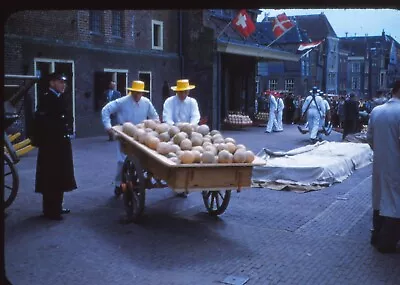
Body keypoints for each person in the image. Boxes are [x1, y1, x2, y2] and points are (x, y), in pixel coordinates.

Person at [102, 80, 159, 196]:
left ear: (143, 93)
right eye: (135, 92)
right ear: (131, 91)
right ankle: (118, 184)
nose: (137, 95)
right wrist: (108, 127)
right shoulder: (122, 101)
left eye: (140, 93)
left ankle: (140, 180)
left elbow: (155, 116)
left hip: (141, 135)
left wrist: (155, 126)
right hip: (125, 135)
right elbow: (105, 110)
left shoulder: (146, 102)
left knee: (144, 160)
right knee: (121, 161)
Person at [34, 72, 77, 220]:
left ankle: (57, 207)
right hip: (51, 146)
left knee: (60, 176)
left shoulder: (59, 97)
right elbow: (43, 123)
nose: (63, 85)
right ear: (52, 83)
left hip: (60, 144)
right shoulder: (47, 98)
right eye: (60, 82)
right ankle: (50, 211)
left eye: (64, 82)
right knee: (51, 177)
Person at [366, 79, 400, 253]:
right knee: (394, 203)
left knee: (379, 200)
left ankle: (376, 235)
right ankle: (386, 243)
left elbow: (370, 139)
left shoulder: (376, 111)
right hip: (396, 165)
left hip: (379, 164)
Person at [162, 79, 201, 198]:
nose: (183, 94)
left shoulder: (192, 102)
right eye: (181, 92)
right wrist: (174, 127)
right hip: (173, 132)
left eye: (186, 92)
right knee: (173, 153)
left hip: (190, 132)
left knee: (192, 151)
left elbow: (196, 116)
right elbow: (166, 117)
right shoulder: (169, 101)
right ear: (177, 91)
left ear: (188, 91)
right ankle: (175, 178)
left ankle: (186, 182)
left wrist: (190, 127)